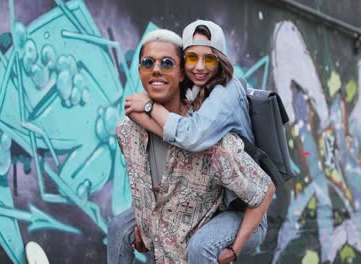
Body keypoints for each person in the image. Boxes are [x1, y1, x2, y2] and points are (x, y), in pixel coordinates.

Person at [114, 29, 275, 263]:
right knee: (119, 228)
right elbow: (141, 180)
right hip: (177, 217)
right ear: (139, 70)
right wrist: (142, 218)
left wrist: (234, 250)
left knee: (200, 247)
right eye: (148, 63)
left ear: (181, 74)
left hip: (235, 209)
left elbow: (264, 191)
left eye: (167, 63)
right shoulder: (128, 132)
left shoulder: (210, 137)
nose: (156, 69)